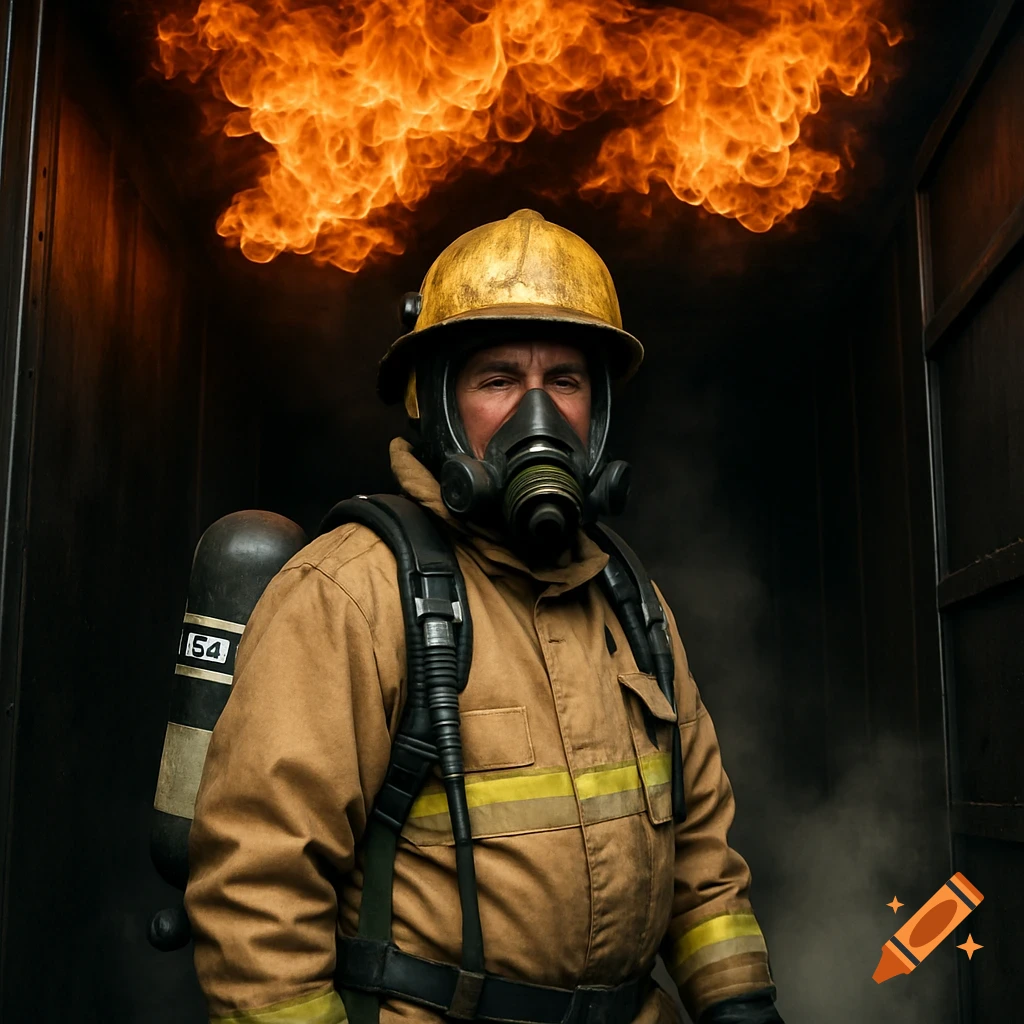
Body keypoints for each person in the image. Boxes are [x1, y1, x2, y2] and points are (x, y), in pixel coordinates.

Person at [185, 209, 783, 1024]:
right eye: (497, 379)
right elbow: (258, 886)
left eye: (564, 382)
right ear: (436, 403)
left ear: (598, 409)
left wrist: (737, 1001)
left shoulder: (627, 597)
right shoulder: (353, 594)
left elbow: (701, 849)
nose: (536, 418)